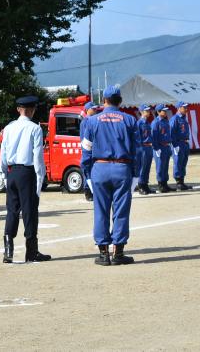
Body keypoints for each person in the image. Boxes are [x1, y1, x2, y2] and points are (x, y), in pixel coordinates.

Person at [82, 86, 138, 265]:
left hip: (100, 168)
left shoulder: (92, 121)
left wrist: (88, 174)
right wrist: (136, 176)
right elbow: (138, 151)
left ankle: (103, 253)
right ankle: (118, 253)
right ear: (120, 101)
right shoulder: (130, 120)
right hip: (122, 168)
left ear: (104, 101)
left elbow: (86, 151)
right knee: (121, 211)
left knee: (101, 211)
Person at [0, 96, 51, 263]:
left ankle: (8, 250)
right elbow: (38, 158)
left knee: (12, 211)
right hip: (27, 173)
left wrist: (5, 174)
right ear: (32, 110)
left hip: (12, 171)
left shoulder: (9, 128)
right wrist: (40, 178)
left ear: (18, 109)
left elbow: (3, 154)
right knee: (30, 212)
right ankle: (31, 251)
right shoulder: (35, 129)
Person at [151, 103, 175, 193]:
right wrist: (156, 148)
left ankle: (165, 183)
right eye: (163, 111)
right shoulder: (155, 122)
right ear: (158, 111)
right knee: (160, 166)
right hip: (160, 147)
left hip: (166, 146)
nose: (165, 112)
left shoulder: (165, 121)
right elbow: (154, 136)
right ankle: (160, 184)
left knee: (165, 166)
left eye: (165, 111)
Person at [169, 101, 193, 191]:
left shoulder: (184, 118)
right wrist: (175, 145)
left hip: (185, 143)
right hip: (178, 143)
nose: (186, 109)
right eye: (184, 107)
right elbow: (171, 133)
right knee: (178, 162)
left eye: (186, 107)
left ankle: (182, 182)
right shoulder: (175, 119)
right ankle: (178, 182)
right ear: (179, 108)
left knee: (183, 162)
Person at [79, 101, 98, 202]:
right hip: (88, 150)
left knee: (93, 172)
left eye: (95, 108)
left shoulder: (94, 120)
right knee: (87, 171)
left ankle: (93, 191)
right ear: (87, 110)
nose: (95, 110)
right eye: (93, 108)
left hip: (95, 150)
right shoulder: (85, 122)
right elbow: (84, 139)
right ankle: (87, 192)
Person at [136, 104, 156, 195]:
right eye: (147, 111)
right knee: (142, 167)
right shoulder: (139, 123)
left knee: (147, 167)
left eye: (149, 111)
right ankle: (140, 186)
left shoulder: (148, 123)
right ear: (141, 112)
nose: (149, 112)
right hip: (142, 147)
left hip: (149, 146)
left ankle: (145, 185)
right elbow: (138, 137)